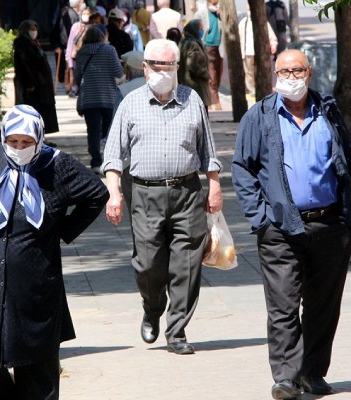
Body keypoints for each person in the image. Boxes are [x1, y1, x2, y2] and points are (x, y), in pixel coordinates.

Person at [0, 105, 108, 400]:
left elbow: (96, 194)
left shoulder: (57, 166)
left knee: (36, 364)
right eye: (13, 141)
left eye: (26, 142)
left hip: (33, 285)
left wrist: (62, 230)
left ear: (39, 139)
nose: (18, 148)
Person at [231, 49, 351, 400]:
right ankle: (286, 378)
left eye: (297, 70)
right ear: (274, 74)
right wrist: (260, 217)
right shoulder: (259, 116)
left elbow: (348, 159)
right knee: (283, 305)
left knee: (323, 305)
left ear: (310, 72)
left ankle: (312, 373)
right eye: (284, 71)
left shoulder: (328, 111)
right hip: (279, 228)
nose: (291, 77)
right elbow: (242, 168)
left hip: (330, 224)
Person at [101, 39, 222, 356]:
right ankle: (152, 308)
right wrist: (114, 194)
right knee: (148, 265)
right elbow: (113, 155)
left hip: (187, 192)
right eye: (155, 65)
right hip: (145, 194)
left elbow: (208, 151)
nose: (162, 71)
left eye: (168, 65)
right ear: (144, 67)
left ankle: (177, 330)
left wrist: (214, 187)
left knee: (187, 264)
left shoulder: (192, 101)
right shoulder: (130, 103)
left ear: (177, 67)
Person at [74, 25, 124, 173]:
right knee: (109, 130)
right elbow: (118, 72)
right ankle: (109, 159)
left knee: (93, 130)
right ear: (103, 36)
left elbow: (77, 76)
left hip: (88, 98)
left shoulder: (81, 52)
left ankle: (96, 161)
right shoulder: (110, 50)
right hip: (107, 96)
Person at [13, 20, 59, 135]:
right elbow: (23, 66)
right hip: (32, 86)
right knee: (33, 112)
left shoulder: (34, 43)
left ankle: (41, 136)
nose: (34, 32)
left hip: (41, 85)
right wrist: (29, 84)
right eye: (31, 29)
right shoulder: (22, 44)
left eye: (35, 29)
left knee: (42, 112)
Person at [238, 8, 278, 96]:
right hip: (247, 51)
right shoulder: (244, 22)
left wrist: (273, 45)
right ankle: (252, 89)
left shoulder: (263, 22)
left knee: (260, 72)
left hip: (260, 52)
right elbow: (238, 36)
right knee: (249, 72)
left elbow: (271, 36)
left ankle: (262, 88)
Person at [177, 19, 210, 108]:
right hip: (195, 86)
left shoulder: (185, 42)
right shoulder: (192, 44)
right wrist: (206, 74)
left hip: (188, 86)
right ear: (194, 30)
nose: (202, 31)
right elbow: (193, 65)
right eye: (200, 29)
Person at [203, 0, 223, 111]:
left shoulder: (222, 10)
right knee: (212, 74)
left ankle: (210, 99)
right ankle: (215, 100)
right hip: (208, 45)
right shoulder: (203, 11)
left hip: (220, 45)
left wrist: (222, 14)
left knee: (218, 72)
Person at [60, 0, 82, 96]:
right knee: (72, 69)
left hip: (70, 46)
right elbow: (71, 35)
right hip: (73, 47)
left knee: (72, 69)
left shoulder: (69, 13)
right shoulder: (71, 15)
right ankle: (73, 87)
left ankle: (72, 87)